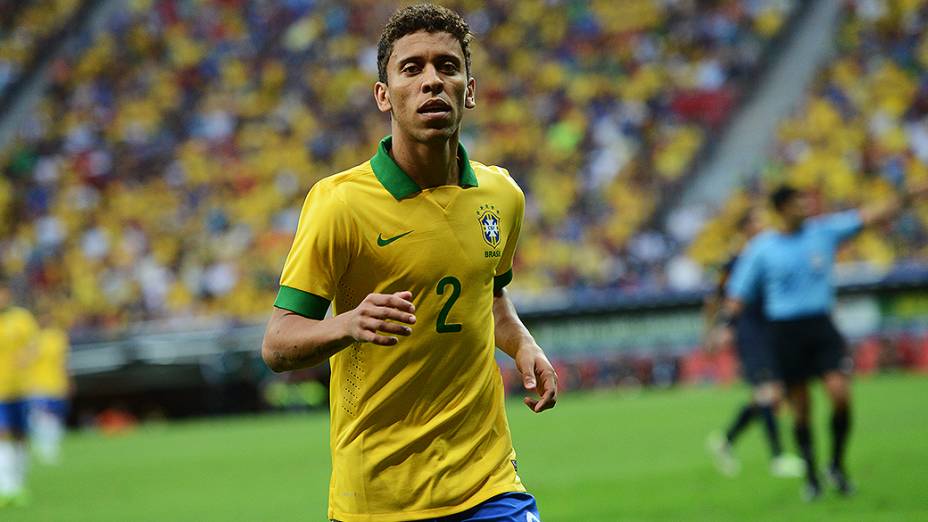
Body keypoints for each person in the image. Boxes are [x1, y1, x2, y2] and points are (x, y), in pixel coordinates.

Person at [260, 5, 558, 521]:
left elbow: (489, 294)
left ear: (470, 89)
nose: (431, 82)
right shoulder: (340, 204)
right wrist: (349, 324)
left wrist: (522, 344)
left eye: (447, 66)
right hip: (378, 497)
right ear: (384, 95)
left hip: (488, 484)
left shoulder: (501, 194)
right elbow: (278, 344)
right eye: (412, 68)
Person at [723, 183, 928, 500]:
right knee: (802, 409)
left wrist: (909, 196)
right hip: (785, 332)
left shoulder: (823, 232)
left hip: (821, 326)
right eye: (796, 203)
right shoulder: (762, 248)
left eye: (805, 201)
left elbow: (871, 215)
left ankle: (836, 464)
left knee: (840, 394)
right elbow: (738, 293)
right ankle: (812, 475)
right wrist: (725, 325)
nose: (804, 207)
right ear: (781, 210)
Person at [705, 208, 803, 479]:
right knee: (768, 393)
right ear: (746, 228)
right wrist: (717, 330)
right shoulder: (736, 261)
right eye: (758, 221)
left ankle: (725, 441)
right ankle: (778, 457)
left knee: (768, 396)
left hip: (772, 330)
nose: (764, 225)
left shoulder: (773, 255)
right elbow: (715, 298)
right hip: (750, 332)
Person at [0, 279, 40, 507]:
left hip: (22, 388)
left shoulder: (21, 318)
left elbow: (35, 344)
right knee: (2, 434)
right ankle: (7, 488)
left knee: (21, 437)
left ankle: (19, 482)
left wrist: (27, 355)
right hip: (0, 391)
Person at [26, 314, 71, 465]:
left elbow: (63, 362)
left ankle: (51, 447)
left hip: (55, 384)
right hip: (38, 385)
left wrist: (66, 380)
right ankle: (44, 447)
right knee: (43, 417)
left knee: (54, 417)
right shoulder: (33, 339)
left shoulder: (57, 337)